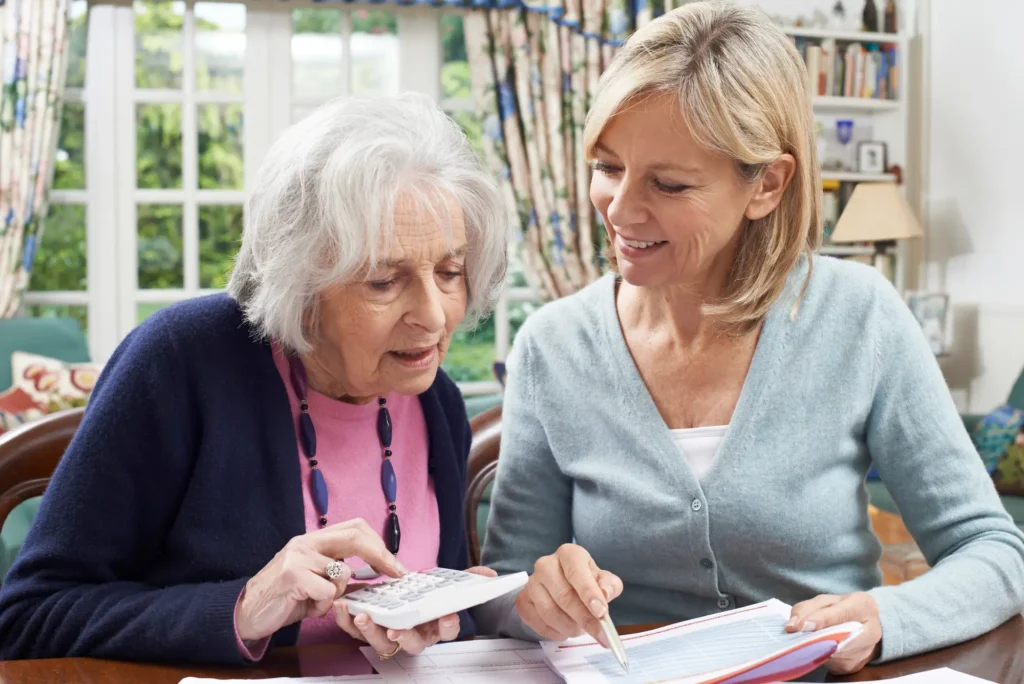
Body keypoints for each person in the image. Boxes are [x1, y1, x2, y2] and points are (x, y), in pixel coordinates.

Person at [477, 1, 1024, 675]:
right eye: (608, 166)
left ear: (767, 183)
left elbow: (994, 550)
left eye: (668, 183)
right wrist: (535, 598)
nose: (619, 209)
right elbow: (503, 585)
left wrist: (888, 617)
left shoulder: (861, 318)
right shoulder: (551, 347)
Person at [0, 94, 509, 663]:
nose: (434, 316)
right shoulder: (180, 362)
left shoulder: (435, 399)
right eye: (384, 282)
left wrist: (440, 623)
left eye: (450, 272)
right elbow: (28, 616)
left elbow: (438, 624)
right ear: (302, 283)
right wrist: (245, 607)